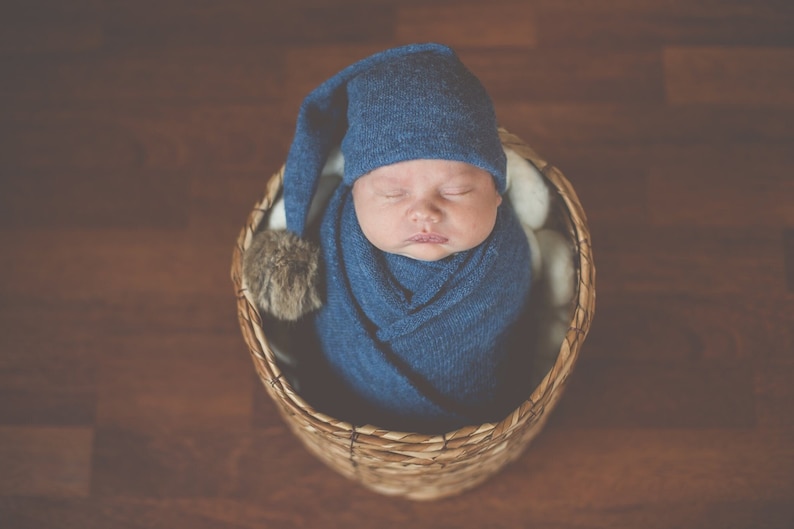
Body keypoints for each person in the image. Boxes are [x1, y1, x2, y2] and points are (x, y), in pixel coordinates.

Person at [244, 43, 532, 433]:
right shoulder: (333, 243)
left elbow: (519, 333)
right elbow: (328, 333)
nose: (425, 212)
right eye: (393, 194)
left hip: (475, 425)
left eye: (456, 191)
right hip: (347, 410)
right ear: (353, 194)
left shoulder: (507, 253)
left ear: (498, 192)